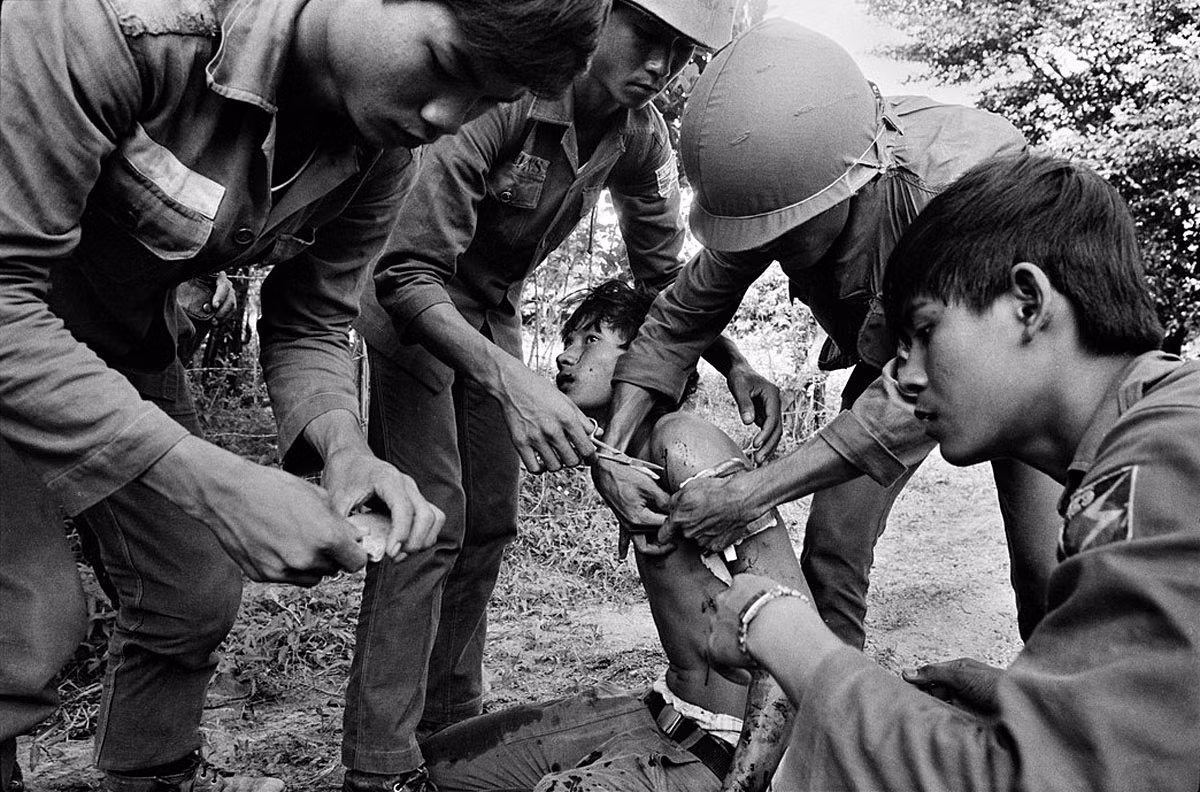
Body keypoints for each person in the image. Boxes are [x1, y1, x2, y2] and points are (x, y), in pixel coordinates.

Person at [0, 0, 607, 789]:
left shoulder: (381, 150)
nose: (444, 117)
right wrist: (212, 482)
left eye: (486, 100)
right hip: (15, 317)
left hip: (113, 341)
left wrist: (345, 450)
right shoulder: (123, 24)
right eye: (446, 64)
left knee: (190, 589)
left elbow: (312, 320)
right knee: (28, 616)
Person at [347, 2, 782, 789]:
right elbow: (405, 270)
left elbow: (664, 277)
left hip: (491, 306)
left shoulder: (639, 135)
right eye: (646, 36)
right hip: (417, 301)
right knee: (430, 516)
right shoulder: (506, 93)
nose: (660, 65)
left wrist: (734, 362)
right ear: (600, 13)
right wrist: (510, 382)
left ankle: (446, 726)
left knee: (488, 521)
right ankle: (378, 765)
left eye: (681, 50)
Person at [705, 152, 1199, 790]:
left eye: (925, 331)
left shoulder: (1161, 461)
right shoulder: (1150, 437)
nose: (906, 380)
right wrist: (1021, 699)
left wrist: (776, 626)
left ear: (1028, 303)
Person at [592, 19, 1066, 651]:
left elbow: (925, 388)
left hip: (1026, 367)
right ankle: (829, 700)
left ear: (846, 186)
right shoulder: (771, 191)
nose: (767, 247)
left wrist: (749, 494)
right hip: (896, 358)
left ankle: (1055, 707)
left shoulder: (952, 197)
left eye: (784, 229)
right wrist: (613, 455)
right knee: (833, 546)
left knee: (1048, 569)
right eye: (756, 231)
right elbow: (677, 323)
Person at [419, 280, 805, 792]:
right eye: (568, 340)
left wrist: (745, 784)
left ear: (645, 358)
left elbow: (793, 634)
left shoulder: (683, 441)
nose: (564, 356)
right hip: (661, 712)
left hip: (724, 748)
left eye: (590, 341)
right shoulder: (622, 462)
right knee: (437, 765)